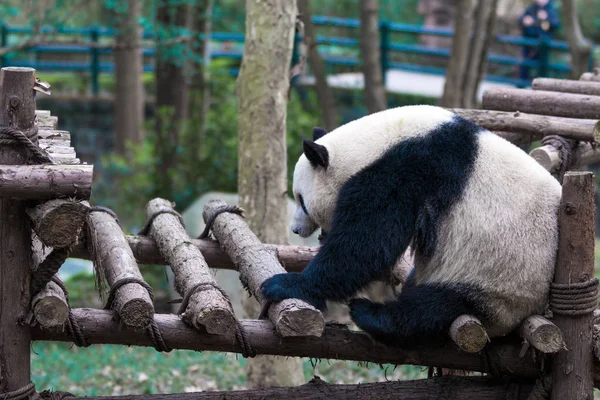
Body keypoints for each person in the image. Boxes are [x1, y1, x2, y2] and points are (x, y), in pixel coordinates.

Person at [518, 0, 561, 82]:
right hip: (528, 43)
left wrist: (546, 18)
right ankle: (521, 84)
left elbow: (556, 25)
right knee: (525, 65)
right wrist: (525, 21)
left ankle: (541, 85)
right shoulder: (531, 8)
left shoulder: (551, 10)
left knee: (542, 68)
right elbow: (520, 20)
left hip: (543, 45)